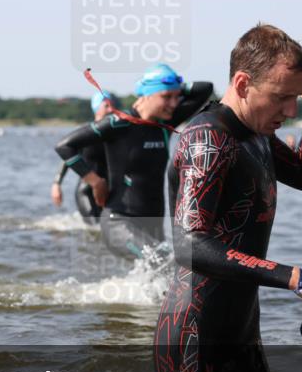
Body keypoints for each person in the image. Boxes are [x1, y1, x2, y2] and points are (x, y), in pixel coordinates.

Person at [154, 24, 302, 372]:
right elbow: (189, 246)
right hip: (195, 338)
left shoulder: (256, 135)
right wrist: (297, 279)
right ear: (243, 84)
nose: (289, 110)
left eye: (294, 97)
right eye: (281, 97)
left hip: (242, 330)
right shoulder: (207, 138)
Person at [54, 64, 214, 259]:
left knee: (162, 280)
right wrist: (95, 181)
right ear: (146, 94)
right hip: (118, 222)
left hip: (152, 222)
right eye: (166, 97)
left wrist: (174, 86)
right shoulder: (119, 123)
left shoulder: (164, 123)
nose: (174, 103)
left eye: (176, 96)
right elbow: (64, 146)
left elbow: (205, 88)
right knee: (163, 263)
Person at [50, 92, 118, 224]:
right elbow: (66, 158)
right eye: (106, 106)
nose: (111, 110)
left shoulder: (116, 134)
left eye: (112, 106)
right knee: (95, 227)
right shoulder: (86, 133)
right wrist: (56, 184)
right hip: (86, 191)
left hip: (109, 190)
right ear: (96, 108)